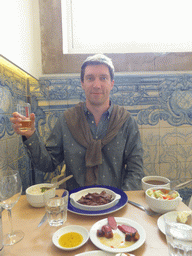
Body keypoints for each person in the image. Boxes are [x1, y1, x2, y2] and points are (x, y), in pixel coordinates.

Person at [10, 54, 144, 191]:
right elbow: (48, 164)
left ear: (112, 83)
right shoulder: (67, 120)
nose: (97, 85)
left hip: (115, 204)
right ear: (82, 83)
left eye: (103, 78)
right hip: (74, 205)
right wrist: (31, 135)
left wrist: (122, 200)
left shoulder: (126, 122)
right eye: (90, 78)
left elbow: (136, 171)